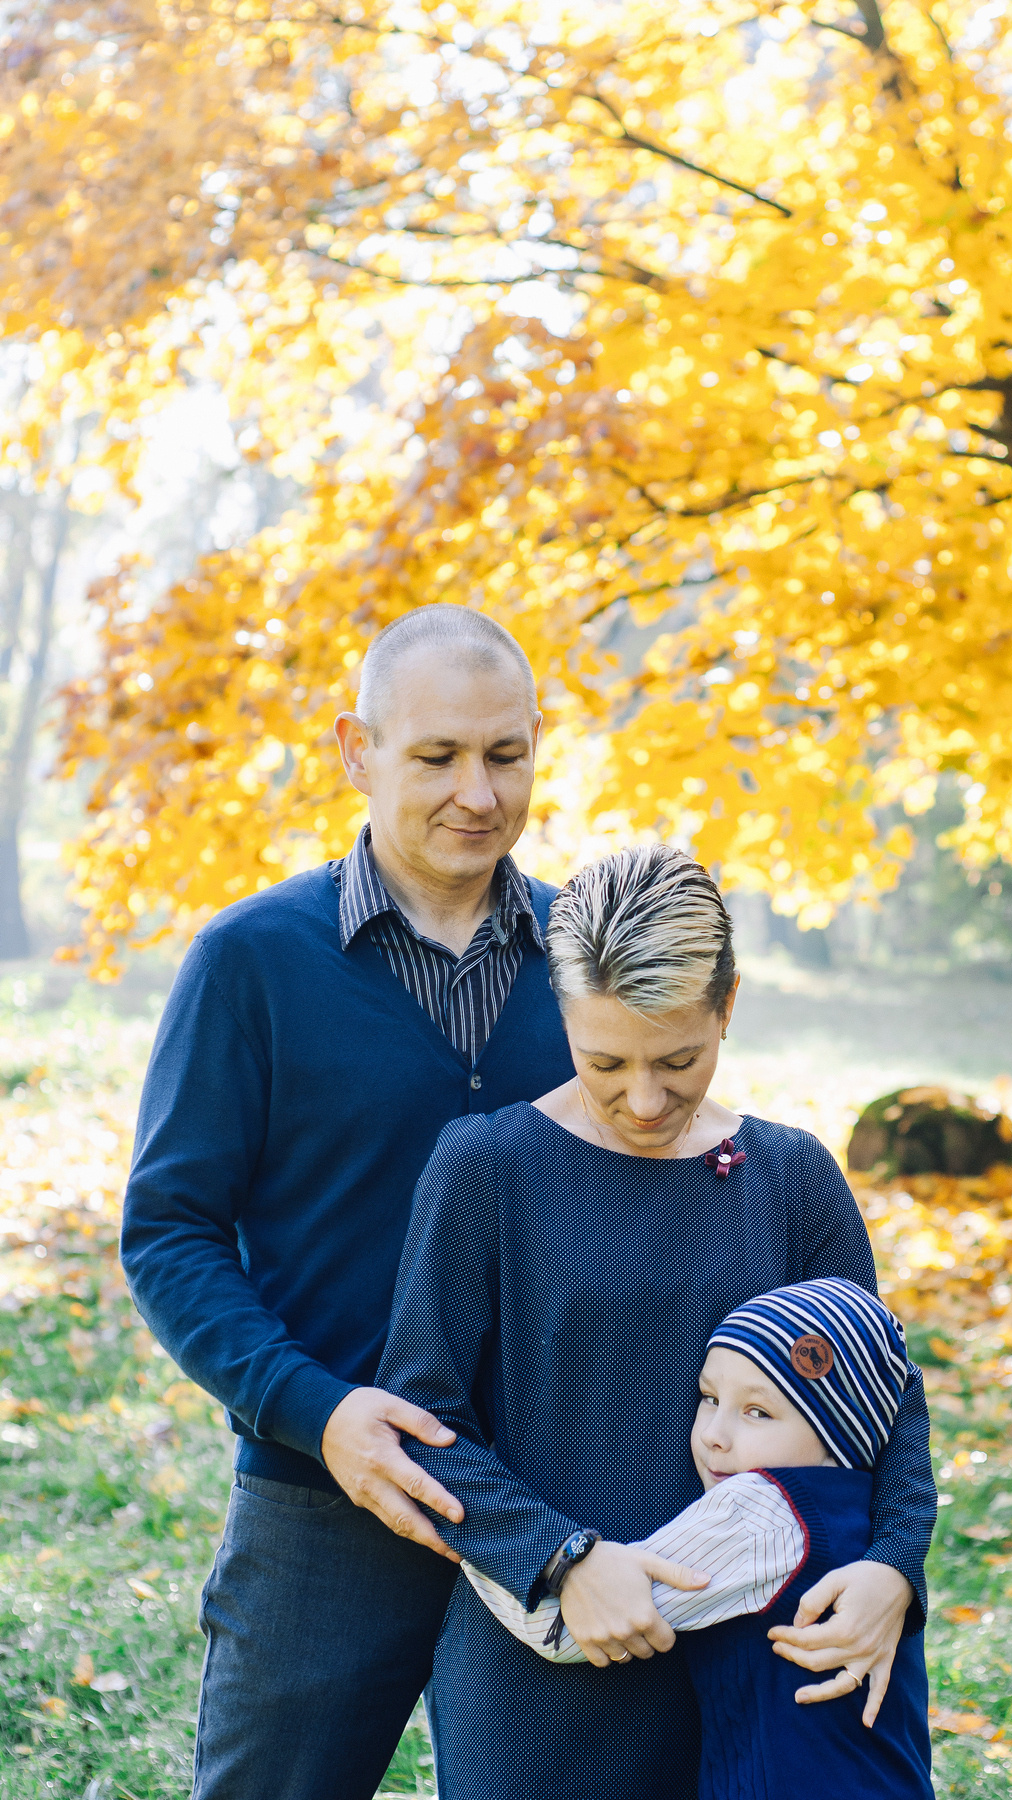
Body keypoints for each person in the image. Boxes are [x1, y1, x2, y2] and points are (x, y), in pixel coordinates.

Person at [120, 606, 578, 1800]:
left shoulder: (587, 962)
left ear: (539, 743)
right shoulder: (252, 961)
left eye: (505, 754)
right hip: (319, 1506)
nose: (476, 793)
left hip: (549, 1510)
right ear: (355, 751)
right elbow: (169, 1233)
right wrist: (315, 1414)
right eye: (435, 756)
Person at [377, 844, 938, 1800]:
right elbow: (423, 1421)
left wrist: (895, 1572)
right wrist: (560, 1562)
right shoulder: (484, 1171)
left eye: (679, 1058)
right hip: (540, 1687)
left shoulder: (793, 1181)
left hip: (766, 1678)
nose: (645, 1099)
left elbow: (885, 1409)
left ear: (727, 1007)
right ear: (563, 1019)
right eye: (606, 1061)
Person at [463, 1277, 935, 1800]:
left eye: (758, 1411)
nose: (714, 1432)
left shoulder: (761, 1511)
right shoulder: (863, 1508)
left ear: (842, 1432)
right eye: (709, 1398)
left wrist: (472, 1524)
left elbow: (561, 1627)